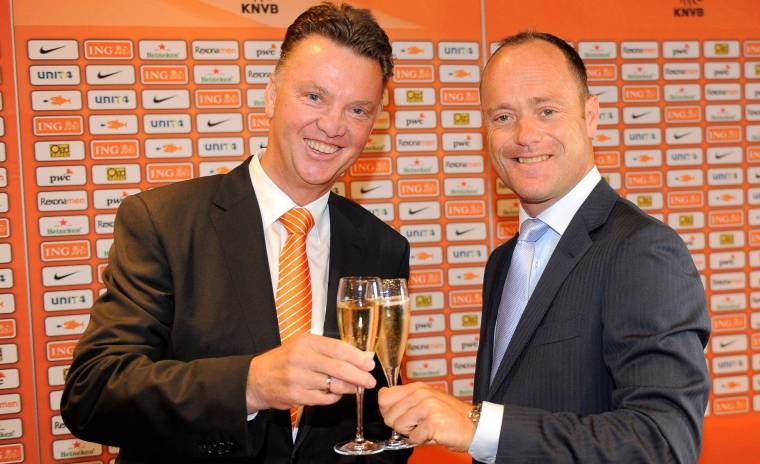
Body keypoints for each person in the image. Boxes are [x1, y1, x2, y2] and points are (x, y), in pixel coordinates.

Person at [61, 3, 411, 463]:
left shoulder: (383, 247)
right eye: (314, 97)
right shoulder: (163, 221)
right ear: (271, 97)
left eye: (358, 109)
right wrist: (250, 384)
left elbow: (377, 416)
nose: (332, 125)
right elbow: (92, 393)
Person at [378, 32, 711, 463]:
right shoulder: (503, 262)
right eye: (503, 116)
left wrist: (477, 425)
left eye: (546, 111)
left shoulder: (642, 251)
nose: (525, 135)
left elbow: (663, 442)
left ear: (591, 117)